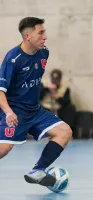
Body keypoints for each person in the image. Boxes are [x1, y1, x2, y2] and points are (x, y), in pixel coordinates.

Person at [0, 17, 72, 187]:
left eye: (44, 32)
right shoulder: (12, 59)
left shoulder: (44, 53)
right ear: (27, 36)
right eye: (41, 33)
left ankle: (38, 170)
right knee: (3, 149)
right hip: (15, 112)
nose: (45, 36)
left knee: (64, 132)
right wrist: (9, 112)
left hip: (35, 110)